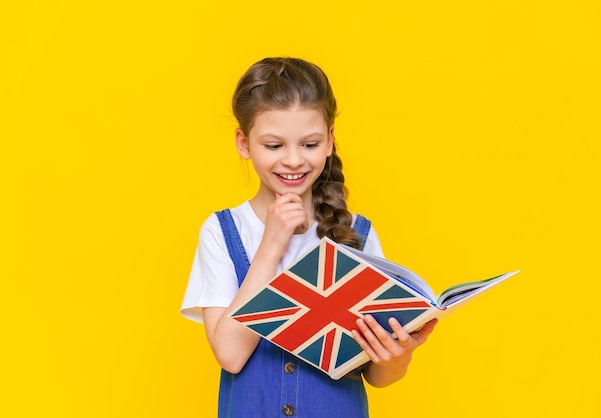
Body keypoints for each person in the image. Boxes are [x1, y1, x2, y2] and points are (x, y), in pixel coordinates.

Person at [181, 57, 437, 417]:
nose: (293, 160)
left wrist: (397, 356)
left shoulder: (358, 234)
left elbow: (377, 376)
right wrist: (272, 244)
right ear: (243, 143)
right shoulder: (222, 231)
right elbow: (231, 355)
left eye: (310, 144)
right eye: (274, 146)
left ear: (330, 140)